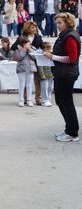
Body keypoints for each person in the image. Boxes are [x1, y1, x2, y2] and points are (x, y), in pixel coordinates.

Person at [44, 13, 80, 142]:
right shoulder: (65, 35)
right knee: (61, 101)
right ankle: (69, 129)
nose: (57, 25)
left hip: (67, 74)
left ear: (67, 23)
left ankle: (72, 132)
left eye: (60, 23)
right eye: (57, 23)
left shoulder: (70, 37)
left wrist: (52, 57)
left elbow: (72, 58)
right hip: (62, 73)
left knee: (66, 103)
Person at [11, 21, 44, 105]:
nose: (35, 29)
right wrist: (20, 47)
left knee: (37, 81)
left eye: (35, 27)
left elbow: (42, 47)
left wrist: (35, 50)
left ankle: (38, 98)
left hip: (35, 60)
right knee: (25, 82)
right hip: (24, 61)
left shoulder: (38, 37)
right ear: (27, 28)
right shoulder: (22, 37)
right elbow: (13, 47)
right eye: (32, 27)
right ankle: (25, 99)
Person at [14, 36, 36, 107]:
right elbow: (19, 57)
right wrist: (23, 50)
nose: (27, 45)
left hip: (30, 69)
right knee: (22, 85)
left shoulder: (31, 49)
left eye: (28, 43)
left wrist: (29, 49)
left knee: (29, 85)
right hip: (21, 69)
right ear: (22, 43)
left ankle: (29, 100)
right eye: (26, 43)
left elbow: (34, 57)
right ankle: (21, 100)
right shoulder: (17, 50)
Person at [37, 42, 54, 108]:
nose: (49, 50)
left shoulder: (51, 56)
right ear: (43, 49)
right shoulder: (41, 56)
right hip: (44, 76)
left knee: (50, 88)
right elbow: (40, 67)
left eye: (49, 49)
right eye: (47, 49)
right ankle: (44, 100)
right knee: (44, 88)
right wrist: (42, 75)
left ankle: (48, 99)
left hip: (50, 75)